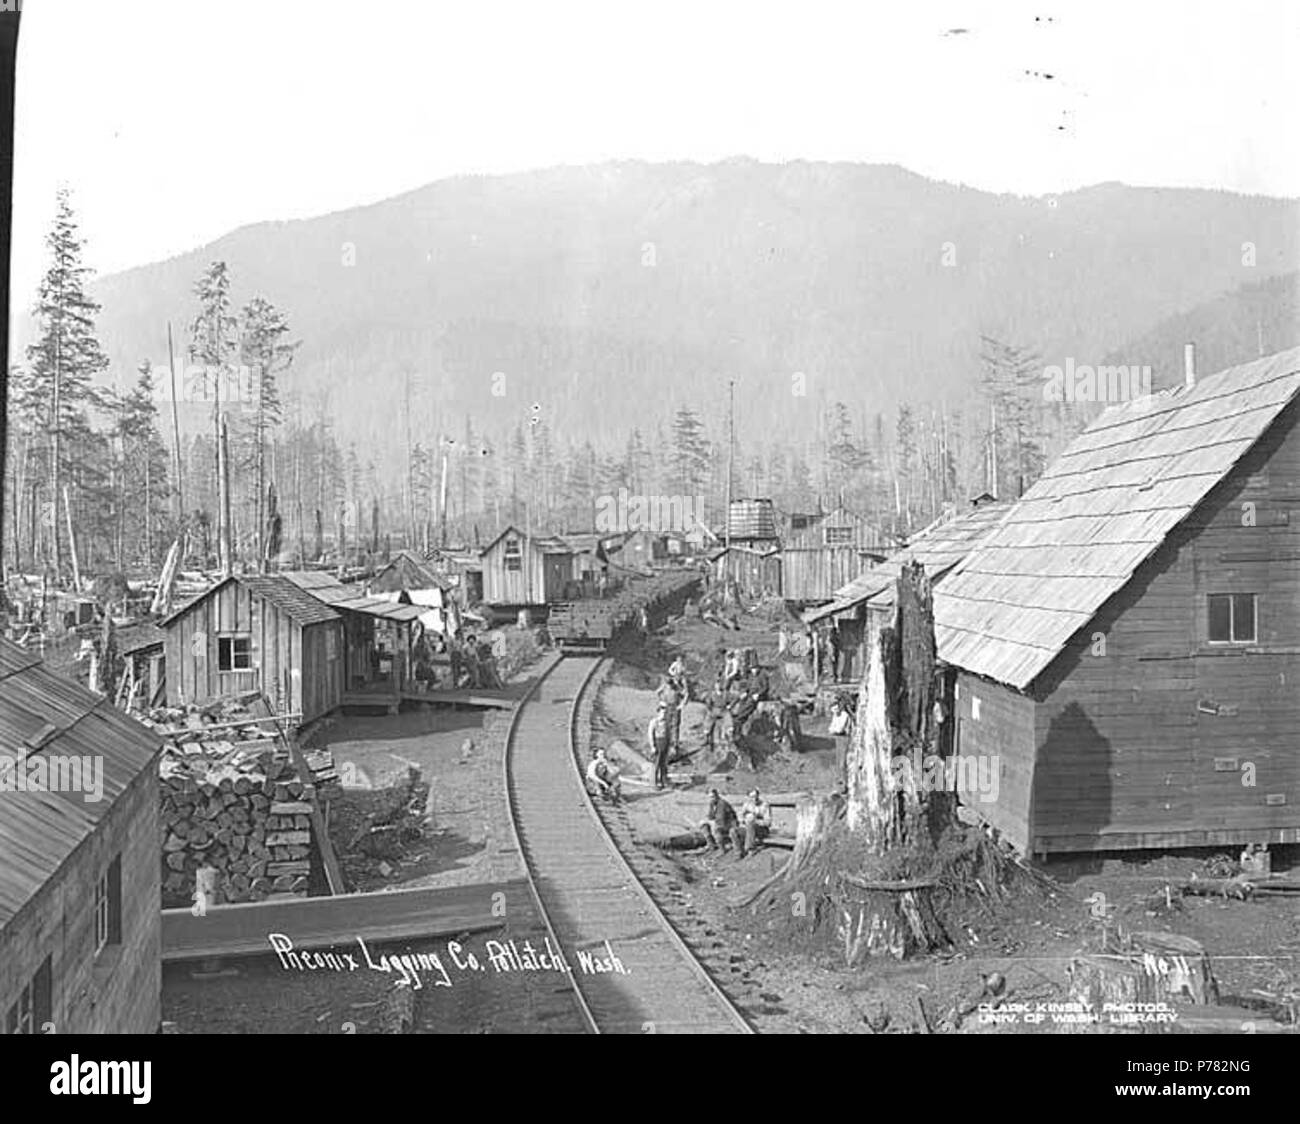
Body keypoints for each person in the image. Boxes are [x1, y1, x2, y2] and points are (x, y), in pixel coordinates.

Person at [698, 788, 742, 854]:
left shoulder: (723, 804)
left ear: (717, 795)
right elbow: (711, 816)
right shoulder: (712, 804)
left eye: (713, 797)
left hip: (728, 824)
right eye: (710, 797)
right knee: (703, 824)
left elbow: (724, 818)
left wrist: (714, 823)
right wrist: (707, 819)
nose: (712, 799)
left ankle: (722, 849)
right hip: (719, 823)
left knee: (716, 829)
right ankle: (711, 845)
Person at [829, 696, 854, 786]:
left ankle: (846, 782)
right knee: (838, 759)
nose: (835, 711)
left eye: (836, 708)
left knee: (843, 761)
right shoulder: (836, 716)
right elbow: (831, 728)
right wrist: (834, 730)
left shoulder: (845, 715)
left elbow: (839, 729)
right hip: (838, 738)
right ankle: (840, 780)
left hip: (845, 738)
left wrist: (834, 730)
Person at [740, 789, 772, 857]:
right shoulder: (746, 805)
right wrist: (745, 819)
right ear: (748, 797)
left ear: (758, 796)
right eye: (751, 797)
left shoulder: (764, 805)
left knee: (751, 824)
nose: (754, 799)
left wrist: (756, 821)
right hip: (749, 828)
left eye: (755, 796)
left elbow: (768, 822)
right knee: (733, 831)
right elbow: (741, 818)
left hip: (762, 830)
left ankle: (750, 849)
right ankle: (738, 853)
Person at [649, 705, 672, 789]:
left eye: (665, 713)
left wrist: (669, 745)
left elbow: (669, 734)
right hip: (657, 743)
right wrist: (652, 746)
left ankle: (663, 781)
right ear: (658, 713)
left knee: (663, 764)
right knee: (656, 764)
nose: (664, 715)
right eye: (662, 713)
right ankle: (654, 783)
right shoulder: (654, 722)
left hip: (665, 744)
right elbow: (650, 735)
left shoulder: (666, 723)